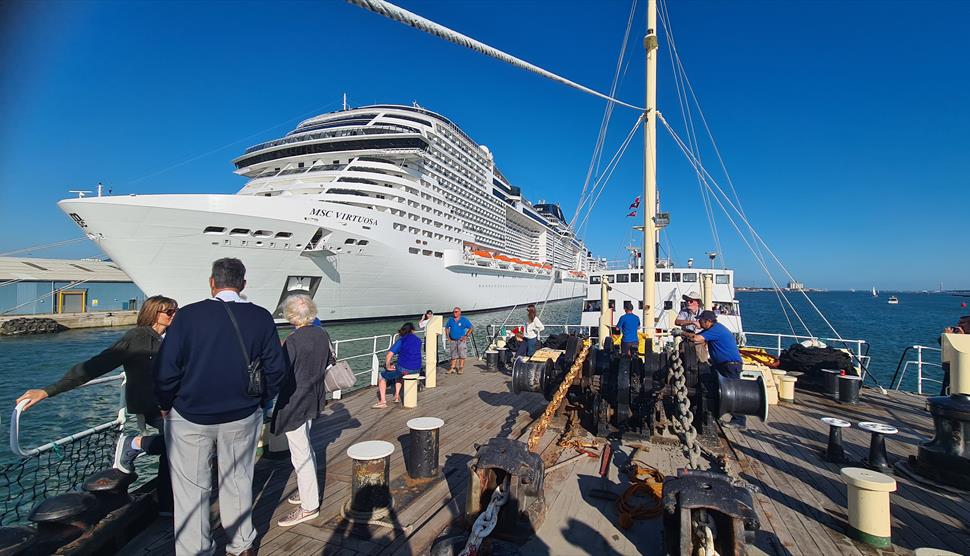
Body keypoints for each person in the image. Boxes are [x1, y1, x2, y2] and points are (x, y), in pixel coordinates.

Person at [155, 258, 286, 556]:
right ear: (243, 285)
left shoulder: (187, 316)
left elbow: (166, 370)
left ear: (212, 283)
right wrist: (261, 400)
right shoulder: (260, 317)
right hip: (242, 414)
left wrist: (165, 404)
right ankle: (241, 546)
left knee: (191, 490)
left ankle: (195, 550)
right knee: (238, 480)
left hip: (190, 415)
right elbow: (276, 369)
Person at [15, 295, 178, 509]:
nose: (174, 315)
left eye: (176, 311)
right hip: (152, 405)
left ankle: (165, 499)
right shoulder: (137, 337)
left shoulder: (170, 338)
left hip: (172, 404)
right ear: (153, 313)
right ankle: (138, 453)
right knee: (175, 443)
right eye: (169, 312)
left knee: (179, 443)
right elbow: (96, 365)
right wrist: (47, 391)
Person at [271, 294, 331, 527]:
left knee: (300, 453)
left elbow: (282, 373)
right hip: (314, 396)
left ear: (290, 315)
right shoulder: (321, 334)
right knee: (306, 446)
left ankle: (309, 506)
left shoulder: (293, 340)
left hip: (295, 400)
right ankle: (308, 491)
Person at [688, 310, 745, 428]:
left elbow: (696, 338)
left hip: (729, 365)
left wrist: (684, 334)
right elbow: (699, 337)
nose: (699, 322)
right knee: (717, 389)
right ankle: (715, 412)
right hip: (722, 365)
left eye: (701, 320)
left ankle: (739, 420)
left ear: (708, 321)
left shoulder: (716, 330)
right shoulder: (712, 329)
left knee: (733, 392)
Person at [374, 322, 422, 408]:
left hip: (405, 369)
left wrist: (388, 366)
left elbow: (389, 355)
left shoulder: (401, 340)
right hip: (417, 368)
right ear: (412, 330)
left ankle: (382, 402)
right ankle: (396, 395)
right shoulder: (418, 340)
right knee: (398, 371)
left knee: (382, 375)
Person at [444, 306, 473, 374]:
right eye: (453, 312)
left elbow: (471, 327)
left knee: (462, 354)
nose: (454, 313)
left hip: (461, 340)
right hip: (453, 340)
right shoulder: (451, 319)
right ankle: (452, 368)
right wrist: (448, 337)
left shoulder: (464, 319)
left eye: (456, 312)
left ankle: (461, 368)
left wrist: (466, 336)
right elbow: (447, 328)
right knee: (453, 354)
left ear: (460, 312)